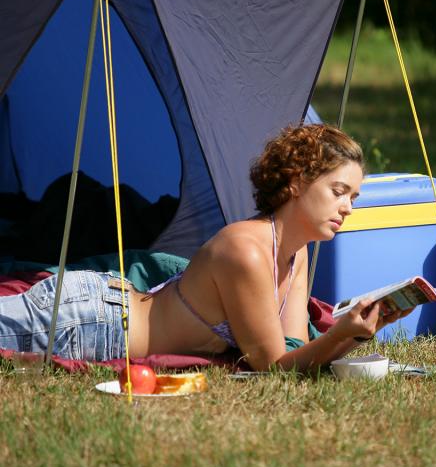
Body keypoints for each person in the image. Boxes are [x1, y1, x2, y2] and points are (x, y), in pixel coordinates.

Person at [0, 124, 411, 371]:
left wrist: (357, 334)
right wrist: (342, 334)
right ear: (298, 182)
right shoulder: (246, 251)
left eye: (354, 196)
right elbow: (273, 368)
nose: (348, 208)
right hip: (92, 322)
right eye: (340, 191)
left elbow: (292, 351)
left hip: (106, 314)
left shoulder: (296, 251)